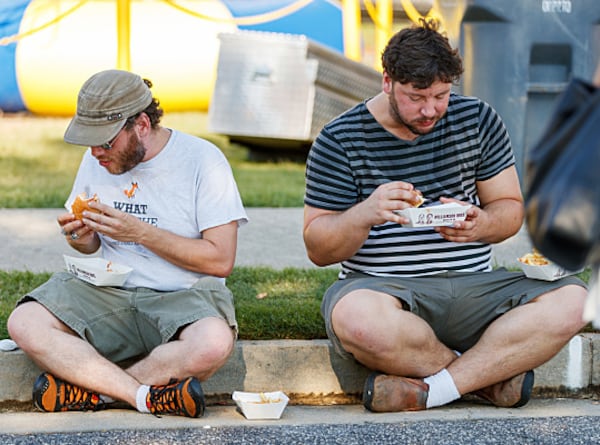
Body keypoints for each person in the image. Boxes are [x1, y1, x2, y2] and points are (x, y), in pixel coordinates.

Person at [303, 20, 587, 412]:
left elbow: (510, 210)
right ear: (387, 82)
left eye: (441, 95)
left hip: (474, 287)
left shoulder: (477, 119)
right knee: (356, 319)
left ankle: (433, 390)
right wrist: (366, 213)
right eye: (416, 97)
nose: (430, 110)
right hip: (383, 290)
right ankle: (487, 381)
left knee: (574, 301)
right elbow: (317, 246)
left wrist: (480, 224)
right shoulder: (339, 138)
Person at [7, 69, 247, 418]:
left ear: (142, 125)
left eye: (106, 142)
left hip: (183, 295)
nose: (95, 153)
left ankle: (92, 394)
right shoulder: (96, 160)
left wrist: (140, 232)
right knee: (24, 321)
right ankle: (145, 397)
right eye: (89, 141)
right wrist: (81, 238)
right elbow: (89, 248)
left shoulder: (203, 161)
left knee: (212, 343)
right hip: (109, 287)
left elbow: (220, 260)